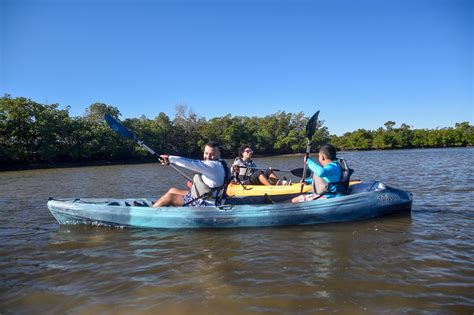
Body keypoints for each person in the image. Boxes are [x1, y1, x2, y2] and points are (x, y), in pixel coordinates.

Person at [152, 142, 229, 207]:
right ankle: (158, 206)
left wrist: (169, 158)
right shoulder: (223, 163)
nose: (208, 157)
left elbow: (190, 163)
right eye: (206, 153)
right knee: (173, 190)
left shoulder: (213, 166)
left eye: (212, 154)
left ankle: (149, 213)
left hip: (207, 204)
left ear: (219, 154)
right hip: (211, 198)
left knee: (170, 197)